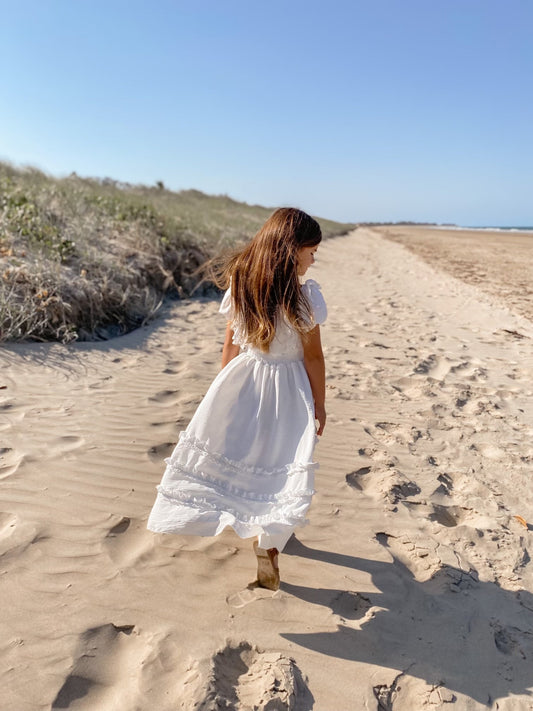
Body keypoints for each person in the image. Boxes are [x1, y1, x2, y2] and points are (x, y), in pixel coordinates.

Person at [147, 207, 327, 590]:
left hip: (244, 378)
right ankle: (270, 540)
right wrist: (320, 404)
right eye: (311, 251)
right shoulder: (303, 297)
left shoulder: (243, 281)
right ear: (292, 250)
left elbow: (230, 343)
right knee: (284, 466)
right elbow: (312, 357)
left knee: (247, 457)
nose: (314, 259)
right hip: (290, 388)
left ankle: (253, 523)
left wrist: (223, 389)